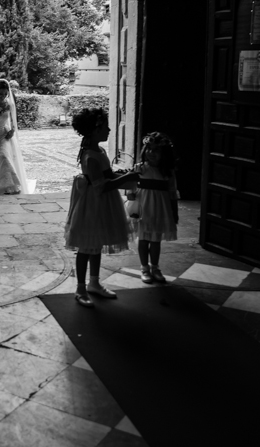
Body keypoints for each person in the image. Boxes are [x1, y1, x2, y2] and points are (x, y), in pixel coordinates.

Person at [64, 107, 140, 307]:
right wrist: (128, 178)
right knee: (86, 246)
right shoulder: (90, 156)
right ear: (96, 129)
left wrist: (127, 176)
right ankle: (80, 287)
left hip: (103, 201)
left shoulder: (100, 150)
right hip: (93, 203)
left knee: (96, 243)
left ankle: (94, 282)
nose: (109, 130)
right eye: (106, 126)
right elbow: (101, 186)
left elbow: (109, 176)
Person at [128, 131, 179, 283]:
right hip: (144, 209)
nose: (151, 153)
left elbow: (172, 193)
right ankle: (144, 268)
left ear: (164, 154)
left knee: (156, 240)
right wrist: (132, 202)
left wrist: (174, 212)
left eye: (156, 150)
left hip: (160, 210)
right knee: (143, 239)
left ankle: (155, 267)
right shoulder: (140, 168)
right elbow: (131, 187)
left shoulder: (167, 172)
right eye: (149, 149)